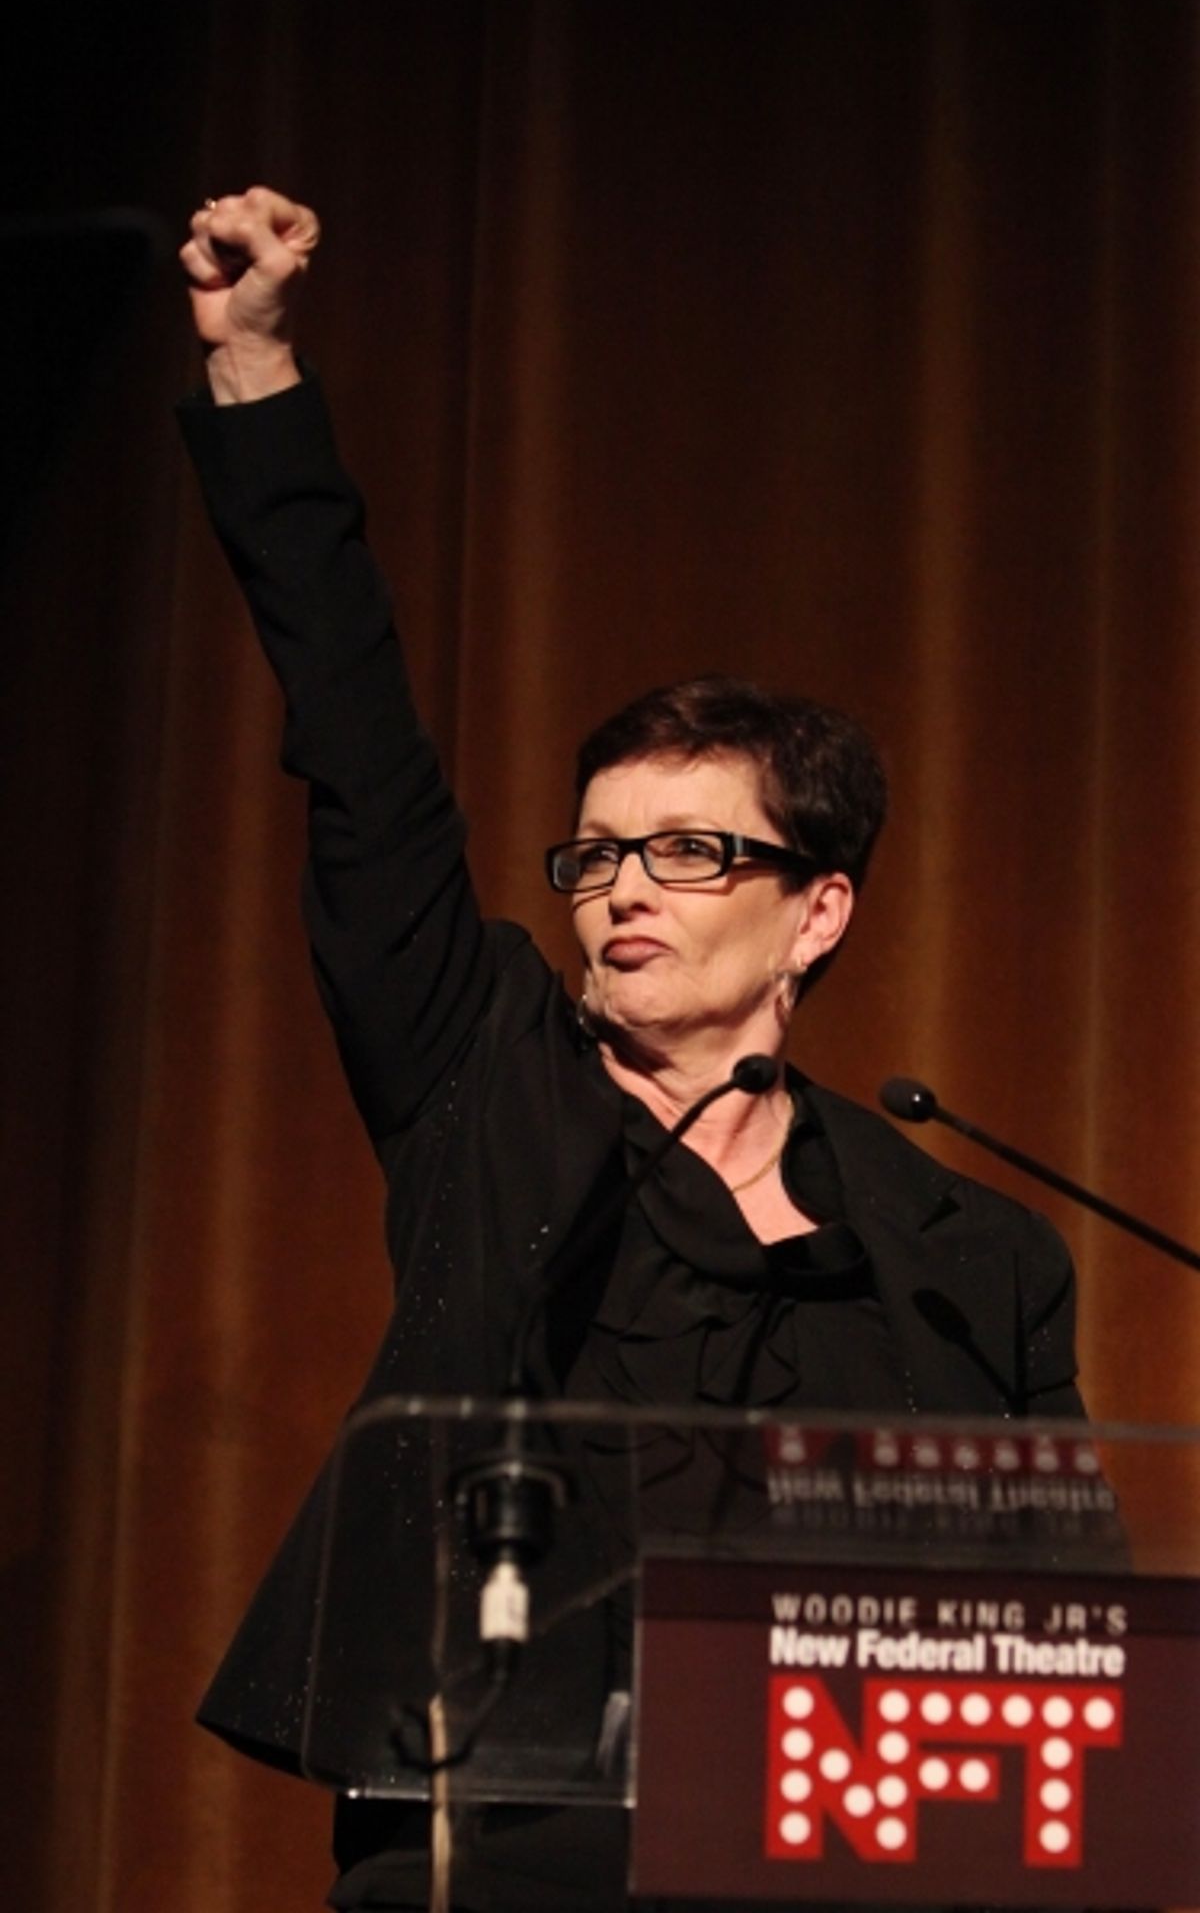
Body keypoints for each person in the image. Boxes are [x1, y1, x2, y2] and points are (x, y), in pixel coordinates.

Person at [178, 188, 1084, 1913]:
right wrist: (257, 373)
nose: (623, 894)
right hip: (507, 1832)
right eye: (597, 853)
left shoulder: (975, 1257)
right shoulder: (486, 1074)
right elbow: (361, 750)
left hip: (845, 1852)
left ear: (815, 913)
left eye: (690, 852)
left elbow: (1053, 1632)